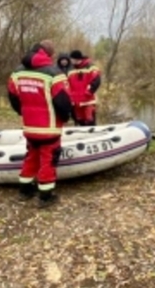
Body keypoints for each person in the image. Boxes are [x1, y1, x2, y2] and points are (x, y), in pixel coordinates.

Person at [7, 40, 72, 208]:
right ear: (49, 54)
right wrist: (65, 118)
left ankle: (24, 190)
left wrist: (23, 112)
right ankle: (45, 196)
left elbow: (13, 97)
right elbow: (63, 101)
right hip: (49, 127)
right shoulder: (54, 74)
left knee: (31, 155)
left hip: (30, 126)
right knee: (48, 160)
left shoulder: (17, 72)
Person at [67, 50, 101, 126]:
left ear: (76, 59)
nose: (71, 61)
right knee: (80, 122)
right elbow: (68, 85)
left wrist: (88, 92)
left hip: (88, 101)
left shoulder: (91, 67)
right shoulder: (71, 70)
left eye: (72, 59)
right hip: (76, 102)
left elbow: (96, 81)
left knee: (90, 121)